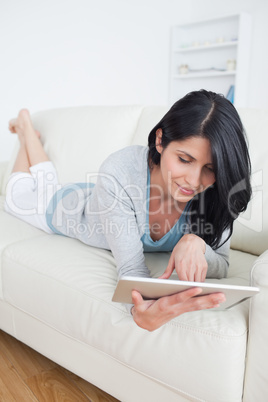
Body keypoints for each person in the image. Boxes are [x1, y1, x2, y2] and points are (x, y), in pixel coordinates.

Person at [4, 90, 252, 331]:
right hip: (66, 207)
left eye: (210, 168)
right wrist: (138, 308)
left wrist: (195, 242)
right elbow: (131, 270)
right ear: (160, 140)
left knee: (48, 180)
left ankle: (28, 133)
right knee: (17, 195)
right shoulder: (120, 169)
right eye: (184, 160)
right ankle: (26, 131)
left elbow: (221, 264)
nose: (193, 180)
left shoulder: (216, 191)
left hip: (103, 195)